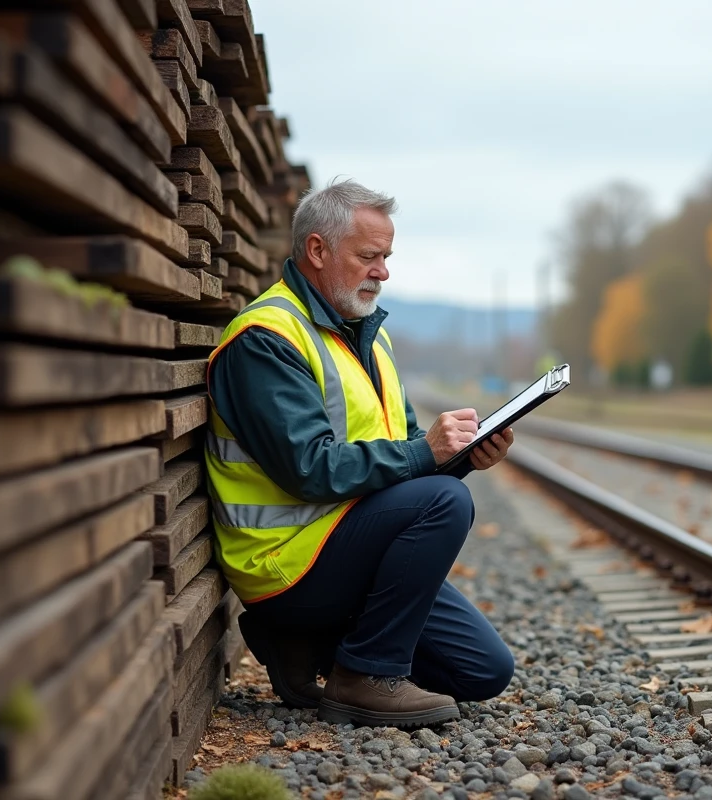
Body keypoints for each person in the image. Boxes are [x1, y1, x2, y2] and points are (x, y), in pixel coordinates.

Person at [205, 178, 516, 728]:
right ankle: (362, 677)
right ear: (318, 250)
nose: (383, 272)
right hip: (287, 564)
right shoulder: (265, 338)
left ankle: (305, 646)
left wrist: (466, 454)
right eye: (369, 256)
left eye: (387, 257)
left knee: (483, 671)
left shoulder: (367, 337)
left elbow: (408, 450)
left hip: (348, 548)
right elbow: (311, 467)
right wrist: (430, 459)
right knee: (443, 501)